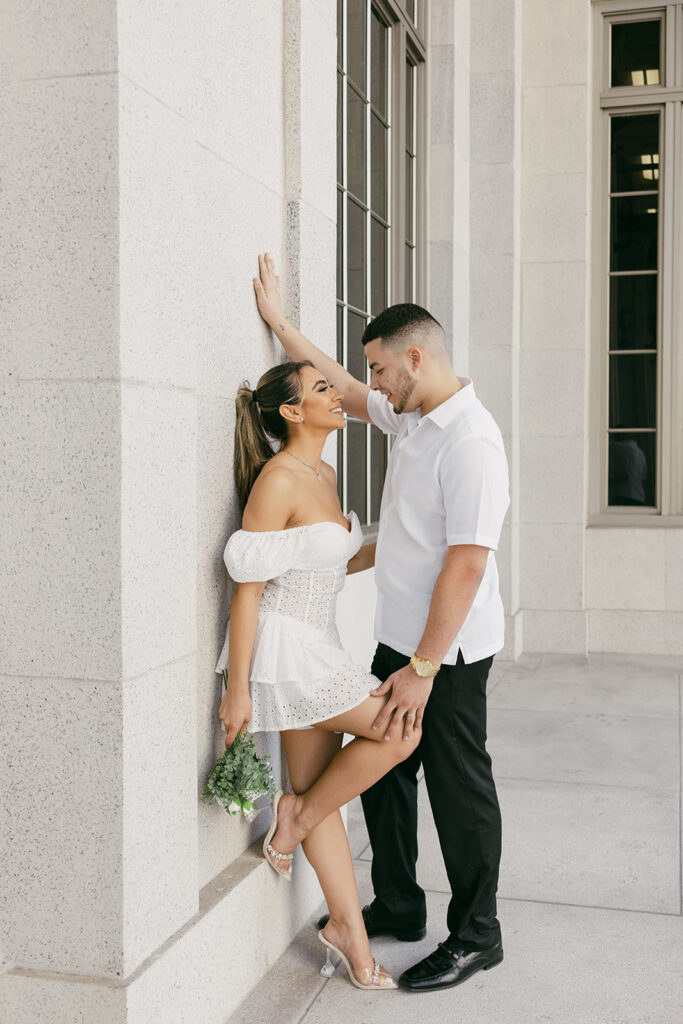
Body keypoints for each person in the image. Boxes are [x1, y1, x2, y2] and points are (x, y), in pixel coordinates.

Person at [252, 252, 510, 993]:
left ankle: (476, 935)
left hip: (448, 651)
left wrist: (424, 668)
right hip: (401, 638)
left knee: (456, 787)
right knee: (387, 781)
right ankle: (398, 901)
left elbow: (464, 565)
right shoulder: (414, 416)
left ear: (416, 358)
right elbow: (338, 377)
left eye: (381, 369)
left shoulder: (470, 444)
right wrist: (279, 326)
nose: (370, 386)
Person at [215, 358, 426, 991]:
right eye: (322, 389)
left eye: (333, 387)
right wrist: (236, 689)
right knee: (400, 730)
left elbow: (331, 563)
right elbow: (248, 590)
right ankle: (298, 815)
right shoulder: (278, 481)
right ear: (290, 411)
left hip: (321, 644)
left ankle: (348, 938)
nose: (340, 396)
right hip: (287, 652)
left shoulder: (324, 473)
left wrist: (410, 545)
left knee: (323, 796)